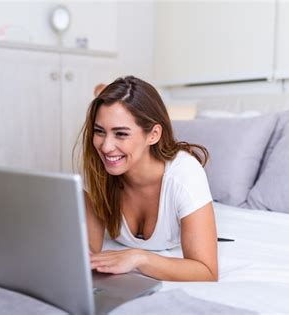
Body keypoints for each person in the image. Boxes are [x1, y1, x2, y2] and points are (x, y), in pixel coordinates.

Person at [78, 76, 218, 281]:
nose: (105, 147)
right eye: (100, 131)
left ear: (153, 134)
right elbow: (90, 251)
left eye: (121, 134)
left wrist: (140, 258)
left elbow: (207, 270)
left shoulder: (184, 175)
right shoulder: (99, 166)